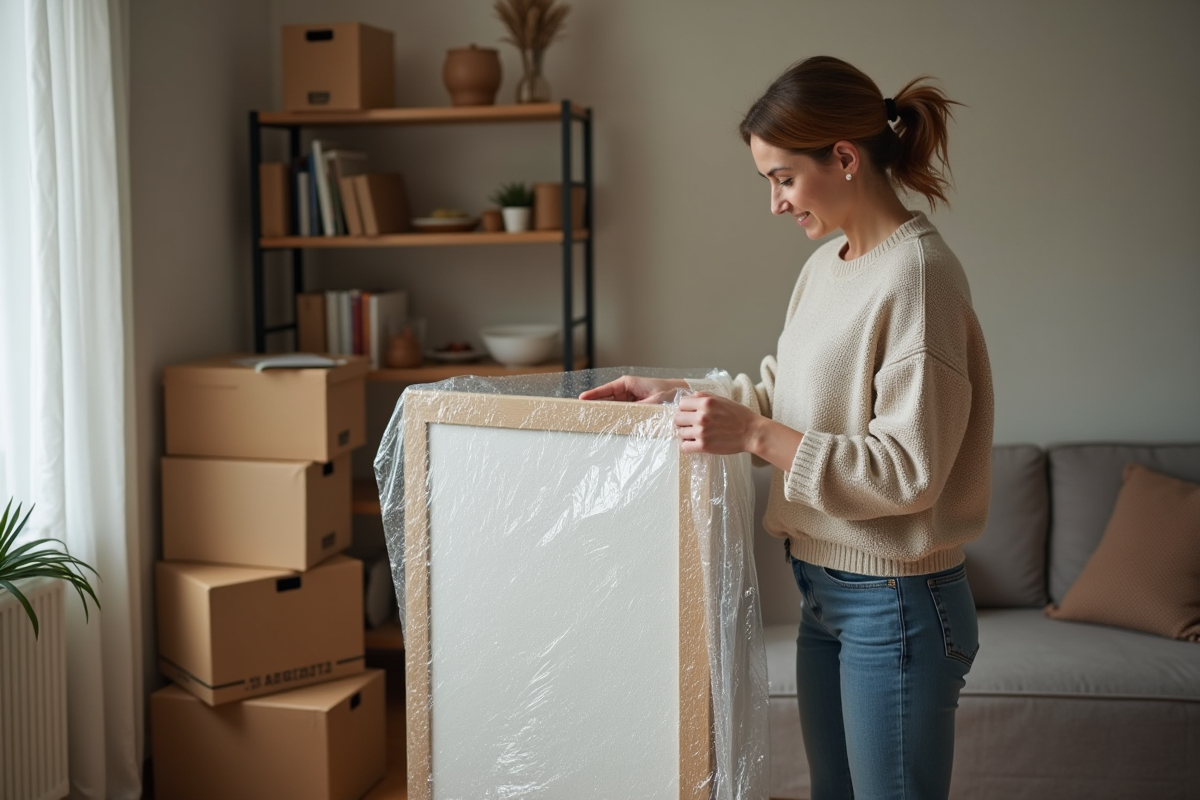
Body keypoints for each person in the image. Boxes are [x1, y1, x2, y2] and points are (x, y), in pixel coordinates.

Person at [580, 55, 993, 800]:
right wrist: (675, 394)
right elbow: (782, 398)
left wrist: (753, 436)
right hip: (823, 587)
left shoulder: (919, 277)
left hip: (894, 601)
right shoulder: (827, 266)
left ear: (844, 157)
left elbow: (907, 473)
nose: (775, 204)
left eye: (783, 179)